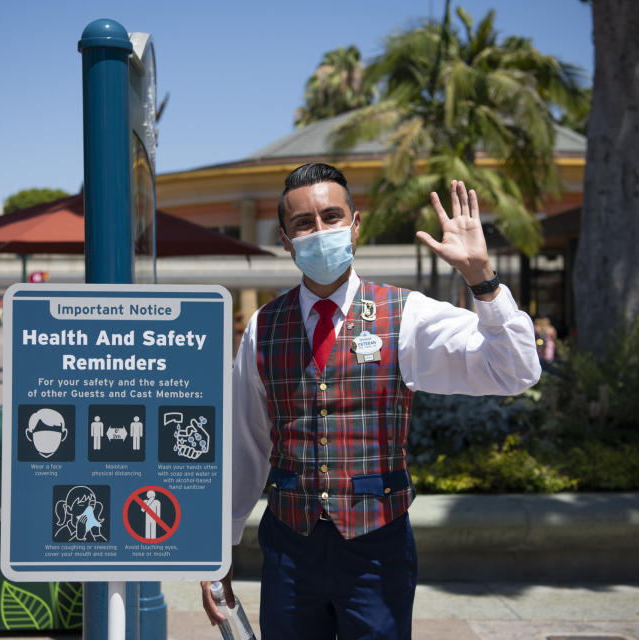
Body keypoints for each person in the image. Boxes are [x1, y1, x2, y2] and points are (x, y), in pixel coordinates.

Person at [201, 163, 541, 639]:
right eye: (304, 223)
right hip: (289, 548)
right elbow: (246, 448)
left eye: (332, 216)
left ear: (355, 226)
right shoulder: (263, 326)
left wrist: (482, 278)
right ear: (285, 238)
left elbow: (515, 370)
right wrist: (220, 550)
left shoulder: (406, 314)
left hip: (376, 548)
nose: (319, 231)